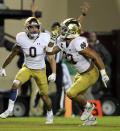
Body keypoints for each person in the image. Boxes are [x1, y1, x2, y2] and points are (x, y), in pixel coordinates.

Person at [46, 18, 109, 126]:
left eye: (65, 29)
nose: (62, 31)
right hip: (80, 74)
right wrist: (52, 38)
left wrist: (103, 73)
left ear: (72, 31)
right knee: (78, 98)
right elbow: (49, 51)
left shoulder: (78, 43)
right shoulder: (62, 42)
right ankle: (91, 119)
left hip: (90, 73)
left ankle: (90, 107)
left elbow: (96, 56)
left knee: (71, 93)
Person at [0, 17, 56, 124]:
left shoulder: (45, 37)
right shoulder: (21, 38)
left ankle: (50, 113)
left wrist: (54, 73)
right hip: (27, 68)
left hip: (40, 70)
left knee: (44, 96)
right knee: (15, 83)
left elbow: (51, 57)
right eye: (31, 27)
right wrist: (3, 67)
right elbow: (12, 54)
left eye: (36, 27)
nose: (34, 29)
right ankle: (10, 109)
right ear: (27, 28)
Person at [88, 31, 112, 99]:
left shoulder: (99, 46)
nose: (92, 37)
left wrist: (103, 65)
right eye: (91, 35)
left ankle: (101, 91)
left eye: (93, 36)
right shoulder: (87, 45)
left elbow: (108, 56)